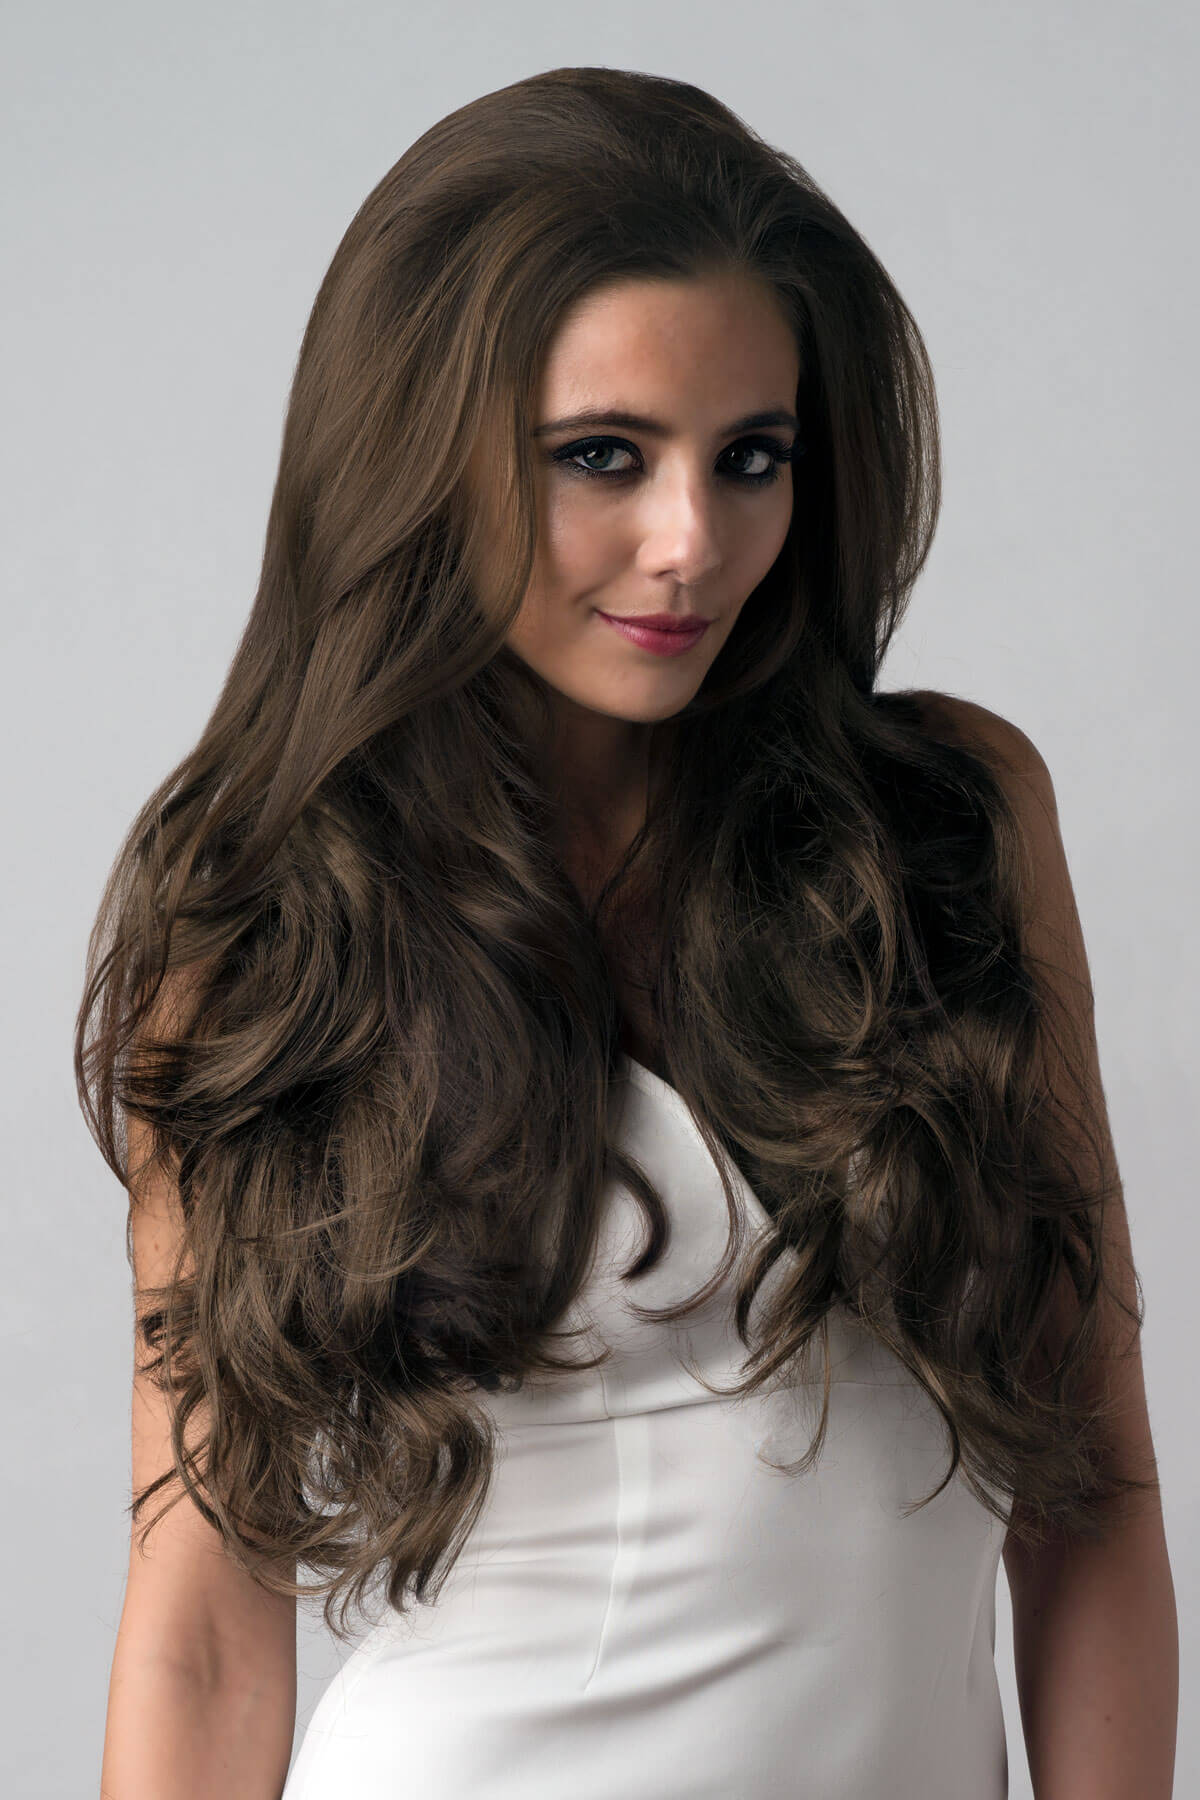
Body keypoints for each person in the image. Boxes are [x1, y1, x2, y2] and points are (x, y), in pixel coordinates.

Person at [79, 65, 1177, 1800]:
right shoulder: (266, 920)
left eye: (753, 458)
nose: (692, 544)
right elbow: (205, 1625)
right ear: (424, 460)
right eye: (603, 456)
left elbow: (1092, 1490)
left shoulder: (949, 831)